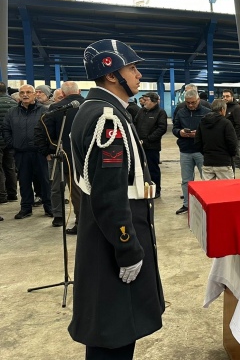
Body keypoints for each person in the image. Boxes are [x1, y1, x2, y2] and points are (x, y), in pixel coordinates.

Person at [68, 39, 164, 358]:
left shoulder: (98, 110)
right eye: (132, 68)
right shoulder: (106, 120)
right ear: (111, 74)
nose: (139, 75)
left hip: (103, 235)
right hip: (111, 243)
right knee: (115, 332)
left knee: (112, 327)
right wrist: (127, 248)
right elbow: (109, 195)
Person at [34, 81, 84, 229]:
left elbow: (44, 131)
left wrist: (47, 151)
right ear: (79, 91)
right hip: (85, 155)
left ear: (62, 93)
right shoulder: (89, 106)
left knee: (57, 187)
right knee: (80, 189)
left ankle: (59, 216)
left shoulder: (55, 108)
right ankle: (82, 220)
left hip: (60, 154)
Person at [1, 84, 51, 220]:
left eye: (28, 92)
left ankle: (49, 207)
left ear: (34, 94)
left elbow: (50, 130)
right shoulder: (12, 112)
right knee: (24, 181)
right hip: (21, 153)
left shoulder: (44, 111)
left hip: (40, 153)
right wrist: (12, 144)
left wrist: (47, 149)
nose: (25, 95)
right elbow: (6, 129)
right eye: (22, 92)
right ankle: (26, 208)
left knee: (44, 181)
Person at [172, 89, 209, 214]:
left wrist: (199, 134)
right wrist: (180, 132)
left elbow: (211, 130)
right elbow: (175, 128)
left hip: (201, 151)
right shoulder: (181, 112)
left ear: (198, 100)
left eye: (193, 102)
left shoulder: (207, 112)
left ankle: (207, 203)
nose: (190, 105)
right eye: (188, 103)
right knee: (186, 180)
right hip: (185, 150)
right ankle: (187, 204)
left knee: (206, 179)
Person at [134, 92, 168, 198]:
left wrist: (149, 139)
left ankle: (156, 190)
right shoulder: (141, 111)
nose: (144, 102)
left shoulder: (160, 112)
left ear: (154, 101)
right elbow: (135, 123)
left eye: (146, 100)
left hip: (152, 147)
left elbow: (162, 128)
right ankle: (144, 190)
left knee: (153, 169)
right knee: (141, 169)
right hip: (140, 145)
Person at [195, 99, 237, 180]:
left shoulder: (203, 122)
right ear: (222, 109)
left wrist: (206, 153)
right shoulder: (226, 123)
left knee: (208, 188)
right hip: (223, 162)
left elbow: (197, 142)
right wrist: (231, 155)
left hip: (208, 162)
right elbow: (232, 143)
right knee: (227, 187)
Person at [0, 82, 18, 221]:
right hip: (10, 141)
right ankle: (13, 194)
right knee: (10, 167)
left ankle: (2, 196)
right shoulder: (13, 103)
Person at [221, 90, 240, 178]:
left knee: (237, 157)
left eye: (227, 96)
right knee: (230, 159)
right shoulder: (224, 107)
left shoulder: (236, 108)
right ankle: (232, 177)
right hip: (226, 137)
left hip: (235, 138)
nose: (225, 98)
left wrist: (236, 138)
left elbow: (239, 125)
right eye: (223, 96)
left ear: (232, 97)